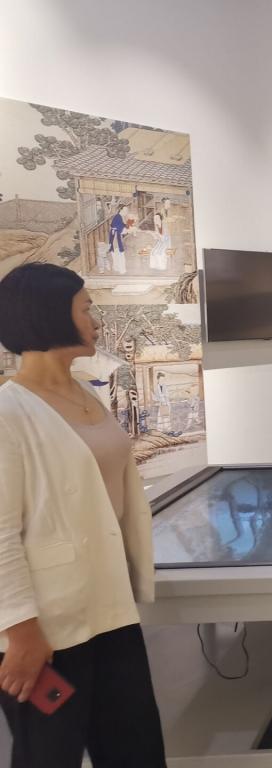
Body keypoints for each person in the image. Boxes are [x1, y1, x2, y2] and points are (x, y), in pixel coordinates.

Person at [0, 263, 165, 767]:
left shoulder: (85, 394)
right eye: (86, 308)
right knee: (50, 755)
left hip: (110, 608)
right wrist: (21, 632)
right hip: (48, 627)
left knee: (136, 749)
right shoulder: (9, 412)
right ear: (51, 313)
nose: (96, 320)